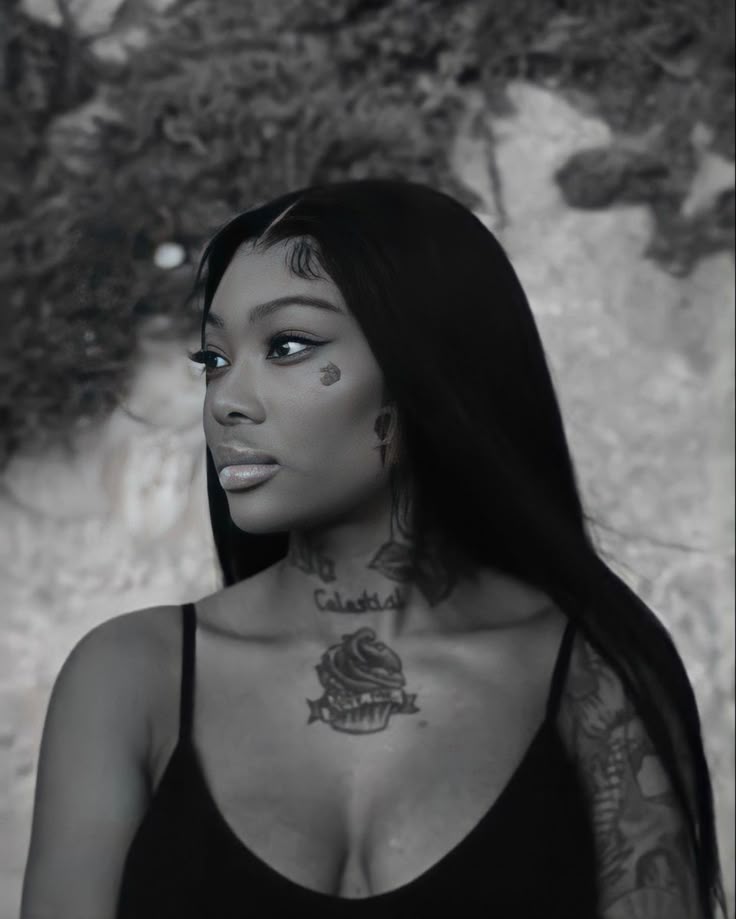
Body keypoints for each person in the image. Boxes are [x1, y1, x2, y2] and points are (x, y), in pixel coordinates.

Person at [20, 179, 727, 918]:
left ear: (428, 364)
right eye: (214, 359)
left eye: (287, 345)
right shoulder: (127, 679)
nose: (225, 400)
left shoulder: (599, 675)